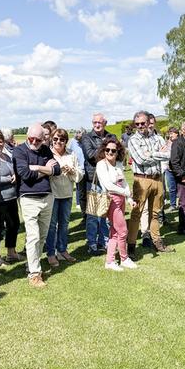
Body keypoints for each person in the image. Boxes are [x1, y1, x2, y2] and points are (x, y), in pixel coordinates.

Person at [13, 123, 60, 288]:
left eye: (38, 140)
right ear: (27, 136)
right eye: (31, 139)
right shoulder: (19, 151)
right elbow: (26, 175)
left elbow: (57, 170)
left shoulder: (46, 150)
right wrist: (46, 169)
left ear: (43, 139)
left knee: (41, 236)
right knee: (33, 236)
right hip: (29, 198)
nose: (34, 142)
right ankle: (34, 273)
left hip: (47, 197)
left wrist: (38, 167)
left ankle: (31, 263)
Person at [127, 111, 174, 257]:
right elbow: (140, 159)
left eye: (142, 123)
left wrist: (150, 154)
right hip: (141, 179)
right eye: (137, 124)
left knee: (155, 213)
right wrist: (157, 154)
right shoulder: (133, 140)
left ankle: (157, 242)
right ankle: (131, 247)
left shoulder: (158, 138)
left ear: (149, 122)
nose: (140, 126)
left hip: (158, 178)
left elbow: (169, 154)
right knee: (136, 214)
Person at [95, 139, 137, 270]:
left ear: (118, 151)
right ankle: (124, 258)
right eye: (107, 150)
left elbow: (123, 182)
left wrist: (129, 198)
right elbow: (108, 185)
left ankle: (110, 261)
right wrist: (125, 192)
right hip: (111, 200)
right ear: (103, 150)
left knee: (114, 232)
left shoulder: (118, 164)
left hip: (121, 200)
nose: (110, 152)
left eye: (113, 150)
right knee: (123, 230)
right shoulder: (101, 165)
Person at [45, 128, 83, 265]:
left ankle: (62, 250)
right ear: (51, 140)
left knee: (64, 224)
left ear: (66, 141)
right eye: (55, 139)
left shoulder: (71, 154)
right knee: (51, 225)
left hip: (67, 194)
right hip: (52, 194)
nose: (58, 142)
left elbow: (79, 176)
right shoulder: (47, 153)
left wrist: (72, 170)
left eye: (62, 139)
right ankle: (50, 253)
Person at [80, 113, 115, 255]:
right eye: (94, 122)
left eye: (99, 122)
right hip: (93, 179)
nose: (97, 125)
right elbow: (90, 155)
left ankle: (104, 241)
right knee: (93, 214)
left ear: (105, 122)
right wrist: (107, 148)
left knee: (105, 213)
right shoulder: (87, 137)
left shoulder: (111, 136)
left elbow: (116, 152)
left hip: (108, 179)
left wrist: (106, 150)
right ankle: (92, 243)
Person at [0, 129, 21, 267]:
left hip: (11, 197)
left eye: (0, 141)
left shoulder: (7, 157)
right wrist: (10, 178)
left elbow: (15, 171)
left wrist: (16, 176)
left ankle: (11, 252)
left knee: (14, 224)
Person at [163, 128, 179, 209]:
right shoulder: (166, 143)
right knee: (171, 188)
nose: (171, 135)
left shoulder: (180, 143)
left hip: (178, 169)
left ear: (177, 134)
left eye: (172, 133)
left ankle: (181, 203)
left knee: (180, 187)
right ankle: (173, 205)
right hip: (169, 169)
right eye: (170, 133)